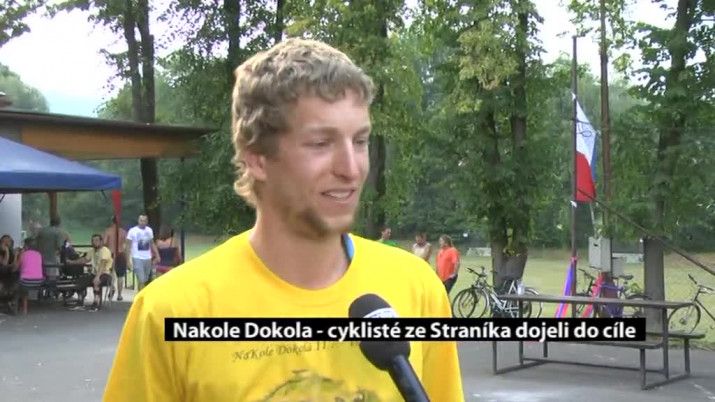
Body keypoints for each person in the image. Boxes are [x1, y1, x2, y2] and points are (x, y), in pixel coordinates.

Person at [104, 38, 463, 401]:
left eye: (359, 141)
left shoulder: (417, 288)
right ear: (257, 158)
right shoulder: (170, 312)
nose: (351, 168)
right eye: (321, 143)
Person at [124, 214, 159, 291]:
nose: (142, 222)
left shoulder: (149, 230)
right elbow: (128, 246)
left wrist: (157, 254)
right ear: (138, 221)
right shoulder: (132, 231)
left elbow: (152, 243)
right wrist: (128, 261)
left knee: (146, 279)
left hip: (147, 257)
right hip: (137, 257)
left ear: (147, 221)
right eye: (141, 220)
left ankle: (141, 293)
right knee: (141, 279)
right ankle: (140, 295)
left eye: (144, 221)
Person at [103, 216, 127, 301]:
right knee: (120, 276)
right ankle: (119, 295)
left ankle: (112, 288)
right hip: (121, 253)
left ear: (112, 221)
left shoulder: (108, 231)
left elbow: (104, 243)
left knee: (111, 273)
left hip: (111, 253)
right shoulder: (123, 232)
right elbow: (125, 245)